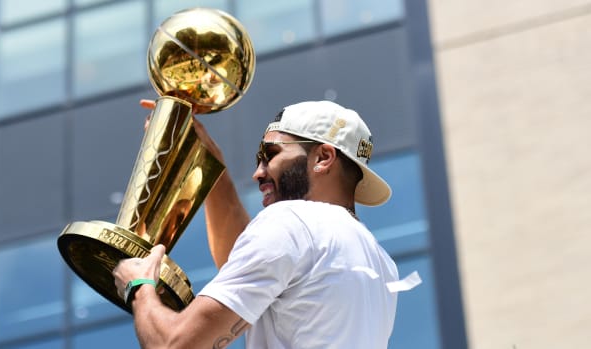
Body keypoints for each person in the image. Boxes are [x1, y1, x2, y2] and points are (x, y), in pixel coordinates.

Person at [113, 100, 407, 348]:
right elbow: (244, 265)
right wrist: (211, 165)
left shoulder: (291, 221)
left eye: (271, 155)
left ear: (323, 158)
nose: (257, 172)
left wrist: (139, 287)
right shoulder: (380, 263)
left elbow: (174, 344)